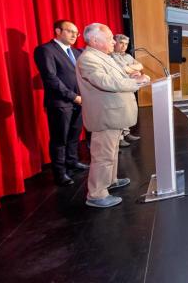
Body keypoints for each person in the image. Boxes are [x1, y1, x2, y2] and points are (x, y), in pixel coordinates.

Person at [76, 23, 149, 208]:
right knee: (103, 155)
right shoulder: (88, 59)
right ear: (94, 40)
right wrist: (136, 84)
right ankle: (96, 194)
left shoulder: (104, 57)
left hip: (114, 114)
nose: (113, 41)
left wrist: (133, 78)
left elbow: (118, 78)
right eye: (109, 38)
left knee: (111, 152)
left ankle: (111, 180)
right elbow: (105, 82)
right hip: (105, 115)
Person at [34, 19, 89, 186]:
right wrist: (73, 96)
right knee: (60, 139)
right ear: (58, 31)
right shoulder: (46, 50)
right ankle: (60, 173)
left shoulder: (77, 53)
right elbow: (51, 78)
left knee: (74, 135)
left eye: (76, 33)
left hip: (80, 101)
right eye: (70, 31)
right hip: (60, 103)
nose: (74, 35)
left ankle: (72, 161)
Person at [110, 34, 142, 147]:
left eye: (126, 44)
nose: (124, 46)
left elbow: (140, 66)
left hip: (129, 87)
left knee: (128, 112)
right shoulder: (110, 56)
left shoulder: (128, 56)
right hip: (118, 89)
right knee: (120, 114)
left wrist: (131, 69)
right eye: (121, 43)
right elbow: (123, 69)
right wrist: (131, 69)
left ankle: (127, 133)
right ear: (115, 43)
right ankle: (119, 138)